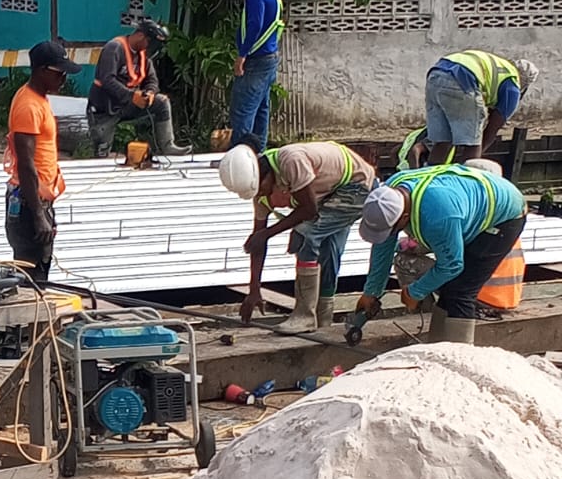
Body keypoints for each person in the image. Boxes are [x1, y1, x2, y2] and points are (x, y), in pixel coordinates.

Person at [355, 163, 528, 345]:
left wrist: (415, 292)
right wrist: (371, 292)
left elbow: (452, 265)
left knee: (461, 290)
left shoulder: (439, 217)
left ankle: (460, 357)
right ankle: (437, 349)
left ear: (404, 217)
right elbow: (383, 246)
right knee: (450, 288)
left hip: (506, 215)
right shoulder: (390, 191)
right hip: (466, 205)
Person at [219, 137, 375, 333]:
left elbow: (309, 210)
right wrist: (254, 290)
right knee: (327, 249)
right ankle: (322, 318)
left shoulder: (291, 161)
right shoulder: (260, 192)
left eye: (262, 189)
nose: (261, 195)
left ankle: (304, 316)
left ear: (266, 176)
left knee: (305, 234)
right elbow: (257, 243)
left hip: (356, 184)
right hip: (329, 191)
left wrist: (268, 233)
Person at [5, 39, 79, 284]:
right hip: (29, 202)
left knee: (39, 273)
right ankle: (27, 322)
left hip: (37, 199)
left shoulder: (40, 99)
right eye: (59, 73)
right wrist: (38, 215)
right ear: (41, 70)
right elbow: (26, 164)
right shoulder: (28, 106)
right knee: (30, 277)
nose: (64, 79)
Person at [86, 17, 186, 158]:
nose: (149, 47)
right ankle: (101, 153)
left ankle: (168, 145)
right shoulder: (114, 48)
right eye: (149, 42)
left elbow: (152, 80)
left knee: (162, 102)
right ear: (140, 35)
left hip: (128, 104)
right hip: (105, 107)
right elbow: (107, 79)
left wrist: (150, 92)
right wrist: (131, 96)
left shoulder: (143, 56)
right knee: (102, 153)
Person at [423, 50, 538, 165]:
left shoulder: (502, 67)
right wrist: (478, 155)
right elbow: (491, 130)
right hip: (463, 79)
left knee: (443, 141)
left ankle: (430, 176)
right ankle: (467, 179)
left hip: (437, 73)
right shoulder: (513, 87)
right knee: (473, 143)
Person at [226, 0, 283, 148]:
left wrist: (242, 55)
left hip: (256, 59)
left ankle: (239, 154)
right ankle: (259, 153)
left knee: (243, 108)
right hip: (270, 58)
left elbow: (255, 25)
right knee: (261, 108)